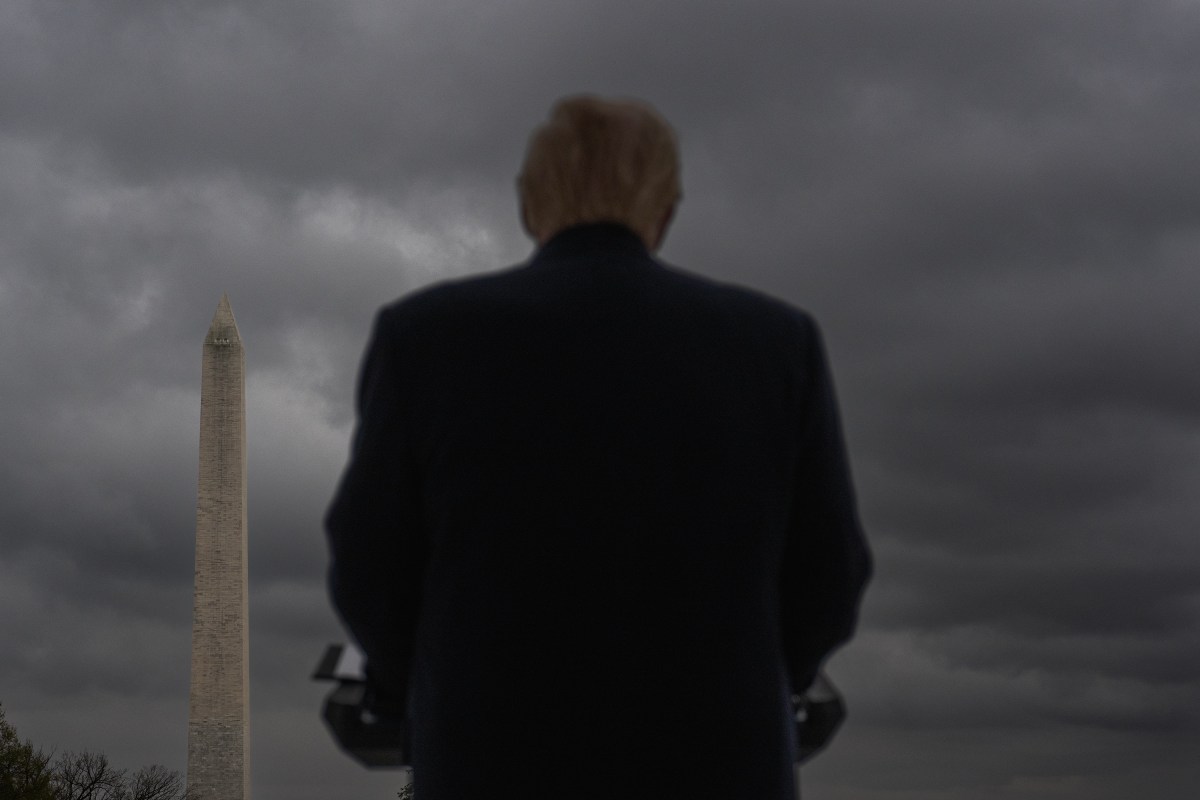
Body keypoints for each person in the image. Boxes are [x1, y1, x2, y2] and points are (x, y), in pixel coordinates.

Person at [325, 95, 871, 800]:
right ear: (666, 211)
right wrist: (764, 686)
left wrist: (414, 692)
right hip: (720, 761)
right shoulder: (778, 341)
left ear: (529, 206)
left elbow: (369, 559)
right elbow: (832, 570)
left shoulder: (423, 336)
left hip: (491, 760)